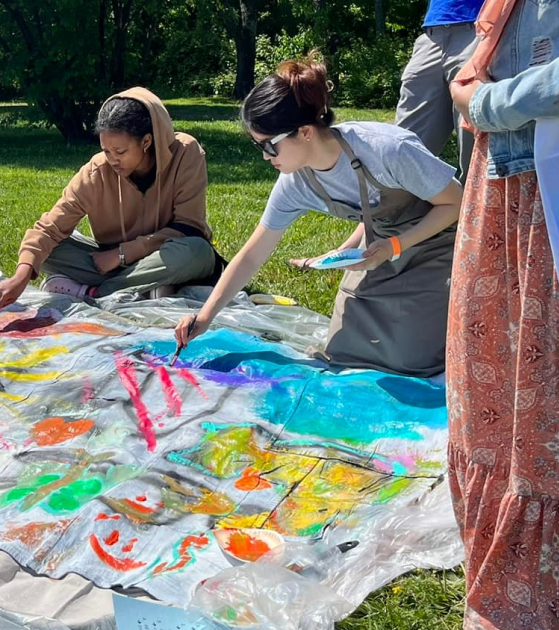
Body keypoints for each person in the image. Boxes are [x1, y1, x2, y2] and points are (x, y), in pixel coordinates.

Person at [175, 54, 462, 378]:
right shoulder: (296, 183)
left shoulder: (388, 150)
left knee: (410, 364)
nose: (265, 157)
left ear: (306, 132)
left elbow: (455, 204)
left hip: (439, 243)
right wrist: (205, 318)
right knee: (345, 355)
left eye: (269, 146)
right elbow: (253, 254)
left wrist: (394, 246)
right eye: (258, 147)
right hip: (379, 248)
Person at [446, 0, 559, 625]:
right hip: (505, 182)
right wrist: (468, 85)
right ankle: (502, 566)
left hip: (546, 196)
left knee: (542, 404)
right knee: (492, 384)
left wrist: (483, 102)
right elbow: (472, 68)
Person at [0, 87, 218, 310]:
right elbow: (49, 228)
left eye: (120, 152)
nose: (112, 160)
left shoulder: (185, 153)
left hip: (167, 253)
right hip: (111, 263)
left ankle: (96, 294)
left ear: (146, 142)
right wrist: (21, 276)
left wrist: (123, 253)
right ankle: (145, 290)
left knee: (197, 252)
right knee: (48, 251)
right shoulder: (96, 171)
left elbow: (189, 227)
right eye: (106, 151)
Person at [394, 0, 484, 180]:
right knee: (402, 148)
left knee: (475, 148)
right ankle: (399, 203)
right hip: (432, 31)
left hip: (479, 26)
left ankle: (473, 206)